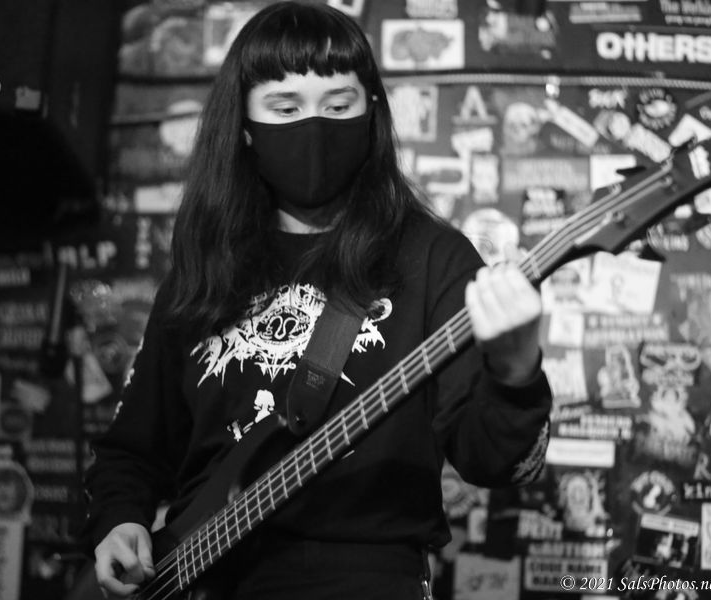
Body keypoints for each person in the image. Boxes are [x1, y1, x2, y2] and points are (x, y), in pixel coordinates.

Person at [80, 3, 552, 599]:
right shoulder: (205, 267)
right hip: (200, 579)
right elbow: (132, 449)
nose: (314, 128)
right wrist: (119, 521)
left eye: (338, 105)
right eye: (285, 108)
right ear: (244, 125)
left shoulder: (433, 259)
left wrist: (515, 372)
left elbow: (495, 462)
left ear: (371, 113)